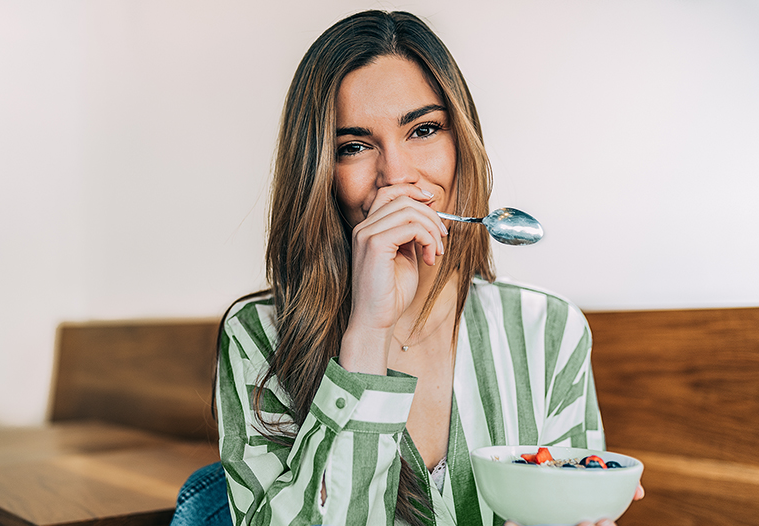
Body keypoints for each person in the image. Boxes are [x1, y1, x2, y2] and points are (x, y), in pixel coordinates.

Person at [214, 10, 642, 526]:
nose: (395, 176)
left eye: (423, 130)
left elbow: (568, 505)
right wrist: (367, 331)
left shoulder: (548, 330)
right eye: (354, 146)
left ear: (462, 142)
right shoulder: (258, 337)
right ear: (319, 175)